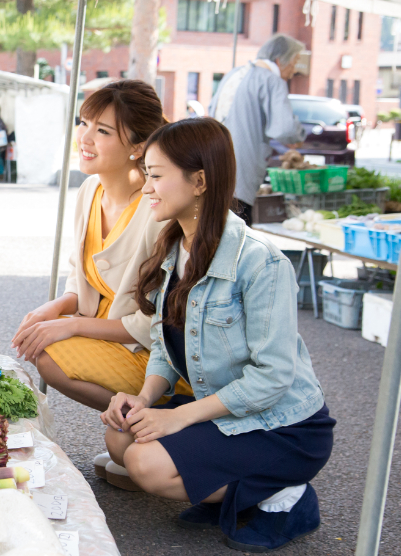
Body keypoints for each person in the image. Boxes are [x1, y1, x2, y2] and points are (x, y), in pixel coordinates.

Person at [102, 117, 334, 552]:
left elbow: (272, 378)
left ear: (200, 181)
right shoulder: (175, 247)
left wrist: (178, 416)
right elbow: (163, 343)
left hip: (284, 425)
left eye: (155, 176)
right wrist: (147, 399)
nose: (145, 187)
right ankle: (231, 488)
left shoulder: (261, 262)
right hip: (230, 411)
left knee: (145, 463)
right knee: (121, 436)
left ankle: (286, 494)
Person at [12, 80, 191, 487]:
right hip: (115, 339)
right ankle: (131, 428)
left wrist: (71, 324)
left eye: (103, 131)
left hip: (157, 355)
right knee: (42, 338)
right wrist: (56, 308)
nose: (85, 138)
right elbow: (81, 275)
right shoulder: (90, 190)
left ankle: (158, 412)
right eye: (83, 123)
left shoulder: (156, 208)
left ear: (138, 147)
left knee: (50, 350)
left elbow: (159, 325)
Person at [209, 33, 306, 225]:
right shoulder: (271, 80)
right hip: (241, 173)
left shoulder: (235, 73)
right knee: (238, 234)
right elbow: (284, 129)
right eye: (294, 62)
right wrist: (299, 135)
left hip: (214, 163)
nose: (295, 70)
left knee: (215, 229)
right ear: (279, 60)